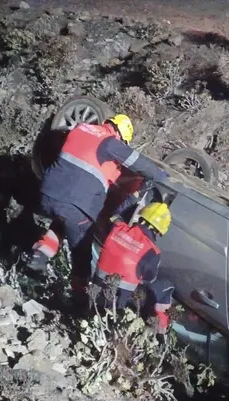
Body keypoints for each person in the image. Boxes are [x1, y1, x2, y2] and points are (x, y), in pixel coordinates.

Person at [26, 114, 170, 293]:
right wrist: (159, 175)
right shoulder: (110, 142)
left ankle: (40, 255)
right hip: (77, 204)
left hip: (47, 194)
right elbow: (138, 162)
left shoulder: (80, 129)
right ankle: (79, 295)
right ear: (119, 134)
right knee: (81, 252)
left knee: (62, 222)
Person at [93, 202, 175, 334]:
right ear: (159, 232)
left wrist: (134, 197)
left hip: (95, 291)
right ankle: (159, 332)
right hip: (118, 304)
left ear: (141, 217)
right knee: (167, 286)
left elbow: (115, 215)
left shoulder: (117, 227)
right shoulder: (153, 252)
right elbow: (148, 280)